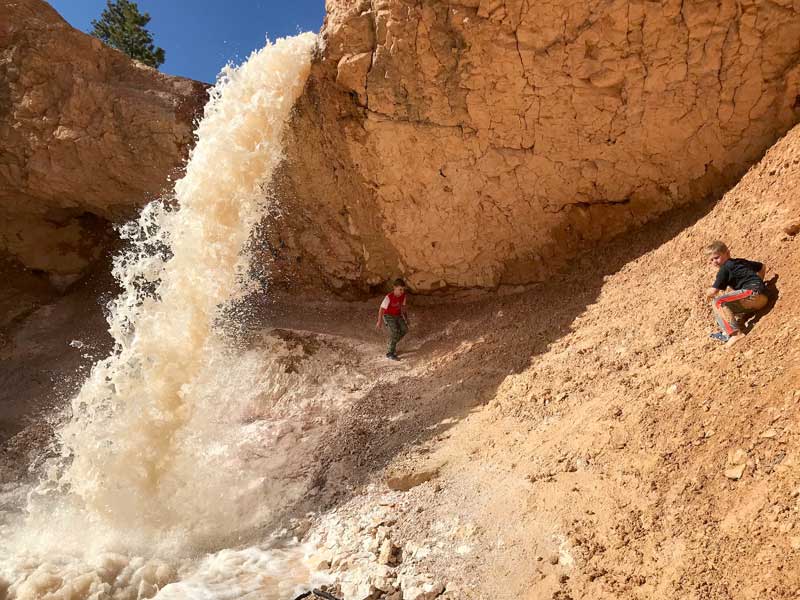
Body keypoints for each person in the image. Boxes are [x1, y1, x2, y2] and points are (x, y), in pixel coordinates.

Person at [704, 241, 767, 345]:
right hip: (762, 297)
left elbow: (714, 291)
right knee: (729, 306)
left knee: (718, 302)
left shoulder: (724, 268)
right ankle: (729, 330)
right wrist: (760, 285)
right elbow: (762, 267)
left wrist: (707, 294)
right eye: (711, 260)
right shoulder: (740, 262)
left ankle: (735, 334)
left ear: (727, 254)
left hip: (751, 293)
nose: (715, 261)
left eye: (716, 257)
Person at [376, 278, 409, 360]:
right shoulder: (388, 297)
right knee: (394, 331)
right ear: (394, 288)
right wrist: (379, 321)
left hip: (397, 315)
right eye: (400, 289)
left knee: (405, 329)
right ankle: (390, 353)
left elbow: (403, 307)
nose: (402, 291)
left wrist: (406, 318)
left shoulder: (403, 296)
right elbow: (381, 309)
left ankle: (391, 343)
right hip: (388, 315)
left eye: (403, 290)